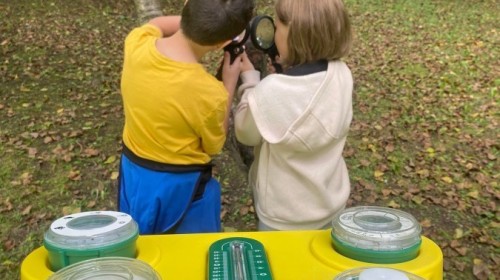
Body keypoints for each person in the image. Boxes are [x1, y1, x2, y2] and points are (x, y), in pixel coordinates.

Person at [118, 0, 254, 234]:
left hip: (135, 175)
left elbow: (155, 23)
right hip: (182, 190)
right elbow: (214, 144)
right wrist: (229, 82)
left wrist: (196, 20)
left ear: (186, 5)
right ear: (222, 43)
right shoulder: (209, 92)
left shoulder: (136, 43)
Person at [233, 0, 353, 231]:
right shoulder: (342, 74)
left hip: (283, 218)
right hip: (332, 204)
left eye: (277, 27)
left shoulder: (272, 90)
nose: (274, 33)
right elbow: (307, 100)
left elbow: (245, 131)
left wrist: (250, 82)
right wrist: (287, 71)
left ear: (294, 35)